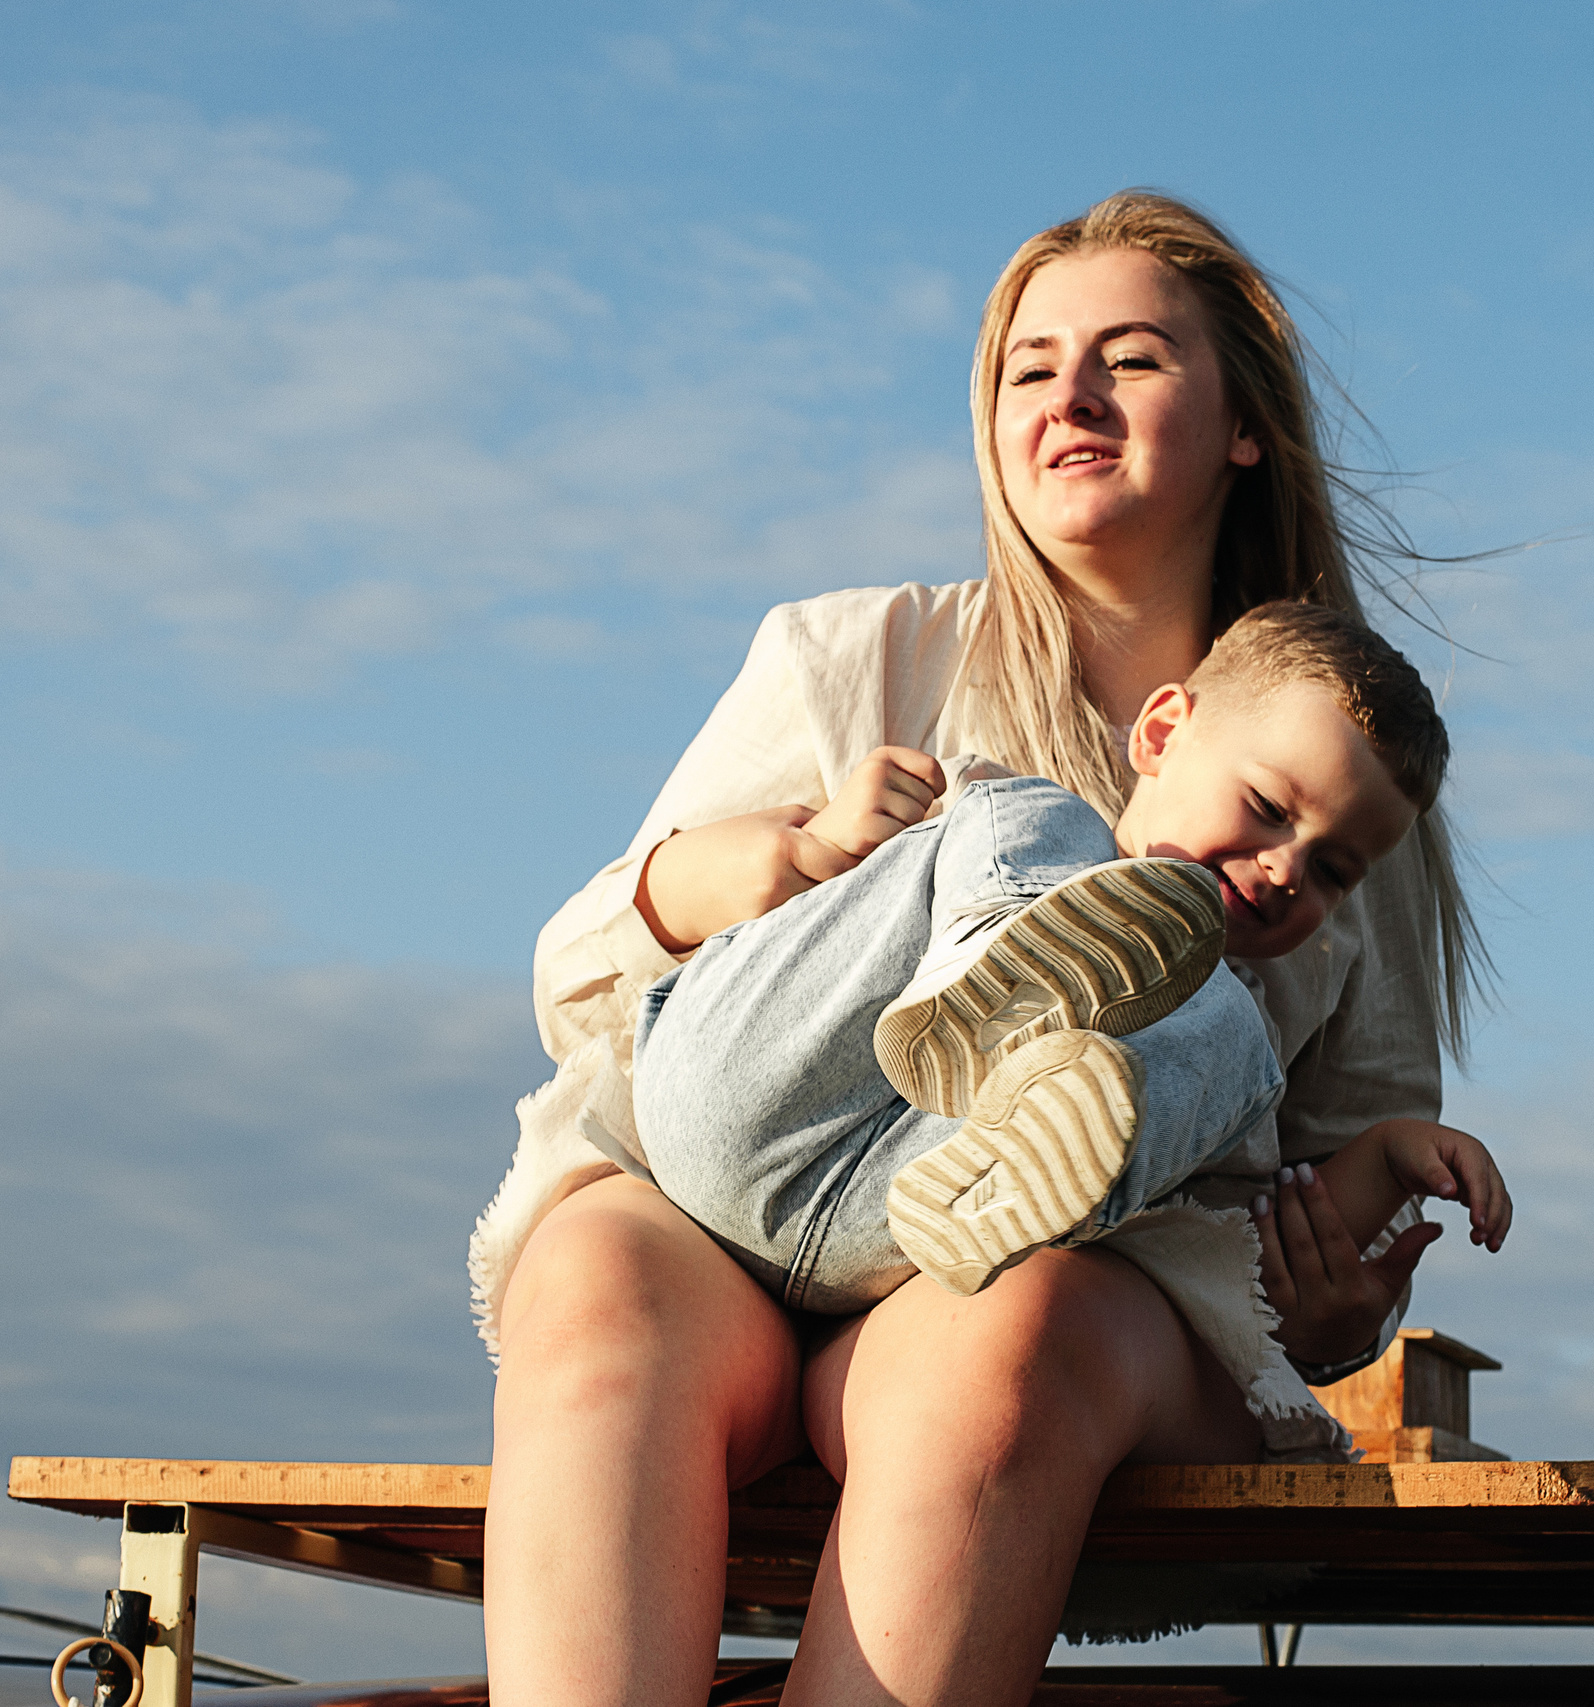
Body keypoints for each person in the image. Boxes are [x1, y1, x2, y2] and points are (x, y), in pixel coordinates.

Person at [470, 190, 1493, 1707]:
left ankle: (1045, 1103)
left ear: (1242, 428)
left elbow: (1334, 1195)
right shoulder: (851, 654)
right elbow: (574, 973)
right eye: (1029, 368)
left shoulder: (1344, 775)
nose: (1069, 396)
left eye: (1131, 359)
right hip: (768, 1194)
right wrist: (755, 863)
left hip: (1074, 1275)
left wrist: (1351, 1302)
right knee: (597, 1276)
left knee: (1001, 1329)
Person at [626, 602, 1511, 1346]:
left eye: (1333, 872)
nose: (1286, 870)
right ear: (1162, 733)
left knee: (1230, 1034)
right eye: (1268, 808)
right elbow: (792, 929)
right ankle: (994, 963)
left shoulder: (1224, 1063)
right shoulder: (1010, 814)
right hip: (734, 1096)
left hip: (903, 1234)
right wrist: (837, 844)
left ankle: (1027, 1151)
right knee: (1034, 817)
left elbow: (1236, 1247)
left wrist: (1387, 1158)